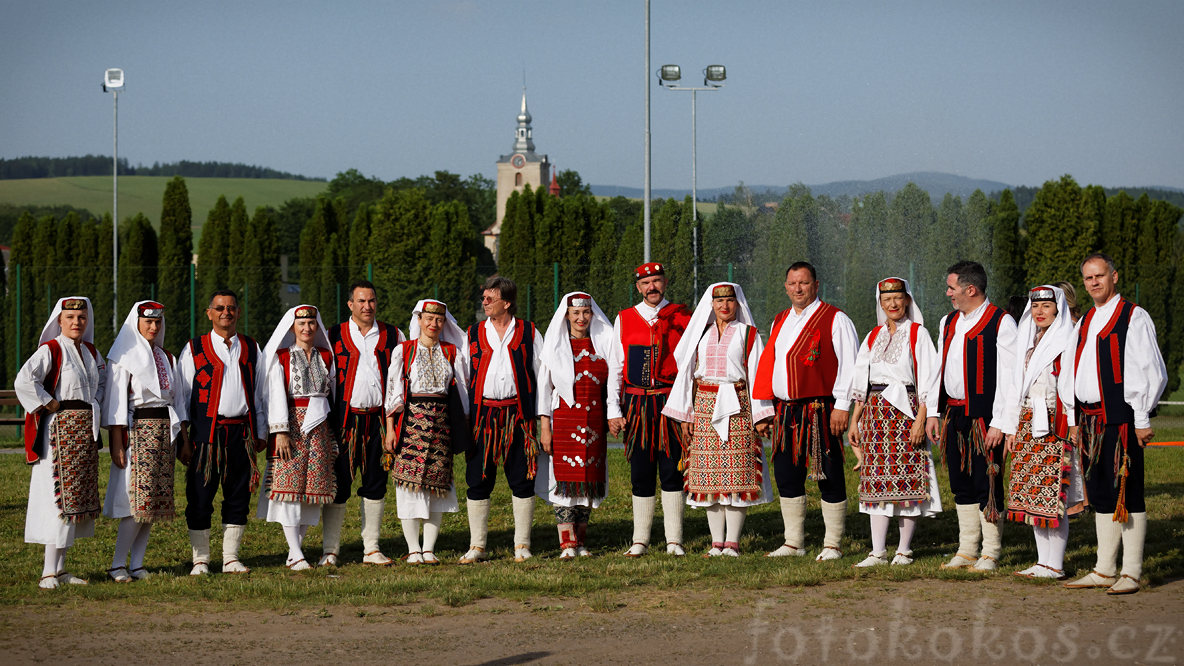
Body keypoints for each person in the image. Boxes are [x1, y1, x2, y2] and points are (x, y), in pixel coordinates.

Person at [1064, 254, 1166, 595]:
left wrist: (1140, 418)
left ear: (1115, 277)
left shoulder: (1133, 316)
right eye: (1088, 278)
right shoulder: (1086, 320)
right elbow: (1072, 371)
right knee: (1101, 491)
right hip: (1089, 420)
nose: (1094, 282)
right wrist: (1072, 417)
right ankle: (1105, 568)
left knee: (1128, 490)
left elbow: (1149, 370)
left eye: (1100, 276)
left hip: (1121, 420)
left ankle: (1132, 572)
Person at [753, 262, 858, 560]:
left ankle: (832, 543)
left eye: (804, 283)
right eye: (792, 283)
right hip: (786, 411)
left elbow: (849, 366)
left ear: (816, 285)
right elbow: (770, 365)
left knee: (828, 473)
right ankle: (794, 542)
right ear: (785, 286)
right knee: (787, 473)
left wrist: (841, 406)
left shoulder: (835, 319)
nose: (798, 289)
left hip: (820, 410)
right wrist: (765, 408)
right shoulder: (779, 320)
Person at [663, 283, 773, 557]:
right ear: (711, 305)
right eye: (719, 300)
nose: (724, 305)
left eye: (730, 300)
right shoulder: (700, 334)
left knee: (736, 471)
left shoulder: (748, 335)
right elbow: (687, 373)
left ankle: (732, 542)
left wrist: (760, 415)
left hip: (738, 404)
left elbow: (757, 374)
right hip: (704, 405)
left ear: (738, 303)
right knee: (708, 476)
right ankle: (716, 542)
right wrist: (686, 412)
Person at [924, 261, 1018, 571]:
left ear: (971, 289)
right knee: (960, 481)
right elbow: (939, 368)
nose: (948, 292)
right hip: (954, 412)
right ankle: (966, 549)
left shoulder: (1000, 322)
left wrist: (1000, 423)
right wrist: (935, 411)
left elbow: (1009, 377)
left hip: (983, 416)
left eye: (952, 287)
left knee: (986, 480)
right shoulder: (948, 321)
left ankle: (990, 551)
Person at [846, 278, 942, 567]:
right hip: (875, 415)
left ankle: (904, 549)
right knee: (876, 482)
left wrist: (920, 420)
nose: (893, 304)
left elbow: (928, 378)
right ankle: (877, 551)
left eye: (898, 298)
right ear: (880, 303)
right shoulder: (873, 335)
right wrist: (854, 422)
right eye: (887, 300)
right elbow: (861, 381)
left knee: (907, 478)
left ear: (908, 300)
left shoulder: (918, 334)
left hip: (906, 412)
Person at [15, 296, 106, 589]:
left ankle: (62, 568)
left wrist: (96, 405)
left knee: (75, 501)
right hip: (58, 432)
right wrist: (48, 401)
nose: (77, 322)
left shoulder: (91, 352)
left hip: (84, 433)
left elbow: (103, 383)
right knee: (58, 501)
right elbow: (24, 380)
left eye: (81, 318)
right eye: (70, 318)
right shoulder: (50, 350)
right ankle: (47, 572)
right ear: (60, 321)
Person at [177, 289, 268, 575]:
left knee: (239, 495)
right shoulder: (194, 348)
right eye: (219, 308)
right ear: (209, 313)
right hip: (206, 435)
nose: (225, 313)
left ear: (238, 312)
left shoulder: (252, 347)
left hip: (241, 433)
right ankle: (201, 559)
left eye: (231, 308)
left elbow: (260, 393)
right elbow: (181, 398)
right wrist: (183, 439)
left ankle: (230, 557)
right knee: (200, 496)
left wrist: (261, 432)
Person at [606, 262, 693, 557]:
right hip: (636, 404)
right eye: (646, 283)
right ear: (638, 287)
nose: (652, 287)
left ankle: (674, 540)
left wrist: (687, 409)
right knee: (640, 471)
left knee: (672, 469)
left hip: (670, 401)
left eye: (656, 281)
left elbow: (690, 367)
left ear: (665, 282)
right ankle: (640, 539)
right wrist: (613, 409)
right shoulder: (625, 318)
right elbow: (616, 368)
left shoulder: (683, 317)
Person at [1000, 285, 1082, 580]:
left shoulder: (1067, 338)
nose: (1040, 312)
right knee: (1032, 494)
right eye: (1036, 307)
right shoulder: (1027, 339)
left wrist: (1072, 421)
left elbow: (1070, 384)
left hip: (1053, 422)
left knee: (1051, 493)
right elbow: (1014, 385)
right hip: (1026, 421)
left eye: (1047, 307)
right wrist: (1011, 428)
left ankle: (1055, 564)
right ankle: (1041, 561)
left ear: (1058, 309)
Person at [460, 276, 544, 564]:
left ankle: (522, 544)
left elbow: (541, 376)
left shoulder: (530, 332)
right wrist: (465, 418)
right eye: (484, 297)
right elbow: (463, 378)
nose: (484, 302)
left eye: (489, 298)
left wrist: (541, 418)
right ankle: (477, 546)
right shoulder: (472, 334)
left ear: (506, 303)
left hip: (518, 416)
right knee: (478, 479)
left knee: (522, 479)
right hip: (483, 417)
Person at [383, 299, 471, 565]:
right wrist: (390, 429)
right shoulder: (404, 351)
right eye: (429, 319)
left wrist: (463, 426)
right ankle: (413, 549)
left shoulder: (452, 352)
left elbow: (463, 391)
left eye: (439, 320)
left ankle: (429, 548)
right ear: (419, 320)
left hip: (442, 423)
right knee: (408, 488)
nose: (434, 324)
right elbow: (392, 392)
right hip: (410, 423)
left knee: (437, 488)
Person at [325, 280, 406, 566]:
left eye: (371, 300)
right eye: (361, 301)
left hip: (379, 422)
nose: (367, 306)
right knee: (339, 484)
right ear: (350, 304)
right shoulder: (332, 334)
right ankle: (330, 550)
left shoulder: (394, 334)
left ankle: (371, 548)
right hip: (344, 422)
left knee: (375, 482)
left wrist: (393, 425)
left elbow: (398, 382)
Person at [101, 301, 183, 582]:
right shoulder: (124, 357)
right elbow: (115, 401)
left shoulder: (167, 357)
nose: (153, 327)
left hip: (164, 431)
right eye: (148, 322)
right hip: (139, 430)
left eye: (158, 322)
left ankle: (137, 564)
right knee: (137, 501)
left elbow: (178, 399)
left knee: (154, 503)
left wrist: (181, 437)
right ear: (136, 323)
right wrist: (116, 440)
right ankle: (117, 565)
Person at [258, 305, 338, 570]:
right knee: (289, 491)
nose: (307, 328)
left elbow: (332, 394)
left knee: (313, 491)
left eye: (311, 323)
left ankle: (296, 552)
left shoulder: (326, 356)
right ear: (292, 327)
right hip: (291, 427)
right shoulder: (281, 357)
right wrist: (280, 431)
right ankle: (295, 552)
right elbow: (275, 394)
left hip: (320, 430)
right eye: (301, 324)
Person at [536, 292, 614, 558]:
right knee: (565, 483)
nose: (581, 318)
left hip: (594, 421)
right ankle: (567, 543)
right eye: (576, 313)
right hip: (564, 421)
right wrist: (545, 427)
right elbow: (544, 390)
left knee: (588, 483)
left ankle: (581, 542)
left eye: (586, 313)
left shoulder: (603, 345)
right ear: (567, 316)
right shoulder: (555, 347)